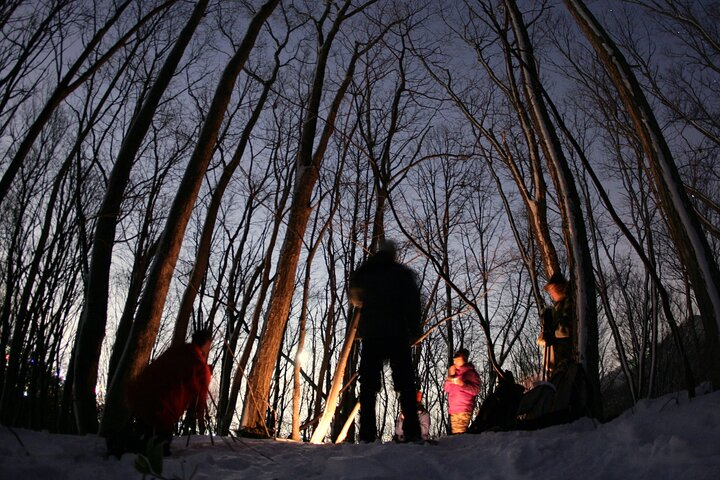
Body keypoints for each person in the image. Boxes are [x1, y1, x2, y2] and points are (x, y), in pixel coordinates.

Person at [349, 239, 423, 443]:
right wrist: (414, 330)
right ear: (393, 254)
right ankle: (413, 433)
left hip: (372, 334)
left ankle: (366, 435)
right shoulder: (402, 274)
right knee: (405, 383)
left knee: (368, 386)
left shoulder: (365, 272)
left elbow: (355, 298)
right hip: (397, 333)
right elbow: (413, 304)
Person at [125, 329, 213, 455]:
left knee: (144, 434)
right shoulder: (198, 365)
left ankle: (126, 446)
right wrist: (201, 419)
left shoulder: (177, 351)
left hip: (140, 397)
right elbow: (200, 398)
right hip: (162, 409)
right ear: (205, 344)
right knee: (159, 448)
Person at [538, 272, 574, 380]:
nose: (551, 293)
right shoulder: (556, 308)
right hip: (557, 360)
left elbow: (567, 329)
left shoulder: (569, 302)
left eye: (552, 289)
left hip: (567, 358)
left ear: (558, 287)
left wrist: (552, 335)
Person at [443, 348, 481, 434]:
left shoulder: (471, 373)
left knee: (459, 434)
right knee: (457, 435)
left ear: (463, 359)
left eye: (457, 358)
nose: (454, 360)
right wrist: (450, 377)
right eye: (454, 358)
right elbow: (446, 389)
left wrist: (463, 385)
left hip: (463, 408)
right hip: (453, 409)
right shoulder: (454, 373)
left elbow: (476, 390)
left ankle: (462, 447)